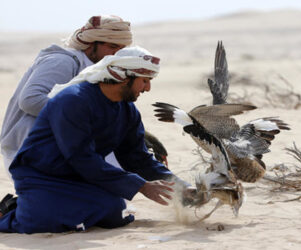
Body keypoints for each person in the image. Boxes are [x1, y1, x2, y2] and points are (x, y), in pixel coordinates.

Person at [0, 46, 186, 234]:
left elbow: (137, 158)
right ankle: (9, 213)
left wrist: (181, 187)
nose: (147, 88)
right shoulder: (73, 101)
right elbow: (81, 157)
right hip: (42, 175)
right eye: (144, 81)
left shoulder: (128, 111)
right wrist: (141, 186)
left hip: (80, 176)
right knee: (44, 222)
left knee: (115, 212)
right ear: (122, 77)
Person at [0, 15, 132, 178]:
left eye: (121, 49)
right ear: (91, 44)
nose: (116, 54)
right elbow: (31, 100)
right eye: (112, 46)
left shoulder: (94, 70)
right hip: (29, 153)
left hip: (64, 149)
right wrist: (81, 119)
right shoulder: (62, 61)